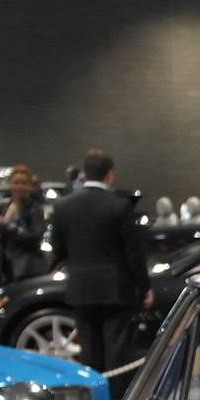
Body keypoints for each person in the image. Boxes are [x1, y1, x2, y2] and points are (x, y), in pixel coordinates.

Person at [49, 149, 149, 371]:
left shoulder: (62, 206)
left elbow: (58, 250)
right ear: (109, 174)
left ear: (85, 173)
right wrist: (144, 288)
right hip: (115, 289)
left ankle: (94, 397)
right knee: (116, 348)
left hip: (81, 287)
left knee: (89, 348)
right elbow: (133, 252)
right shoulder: (120, 206)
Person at [0, 164, 49, 284]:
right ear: (10, 184)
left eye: (24, 183)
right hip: (6, 266)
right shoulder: (4, 206)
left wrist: (6, 225)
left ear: (30, 186)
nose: (20, 186)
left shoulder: (34, 208)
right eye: (16, 182)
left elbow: (35, 237)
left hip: (27, 268)